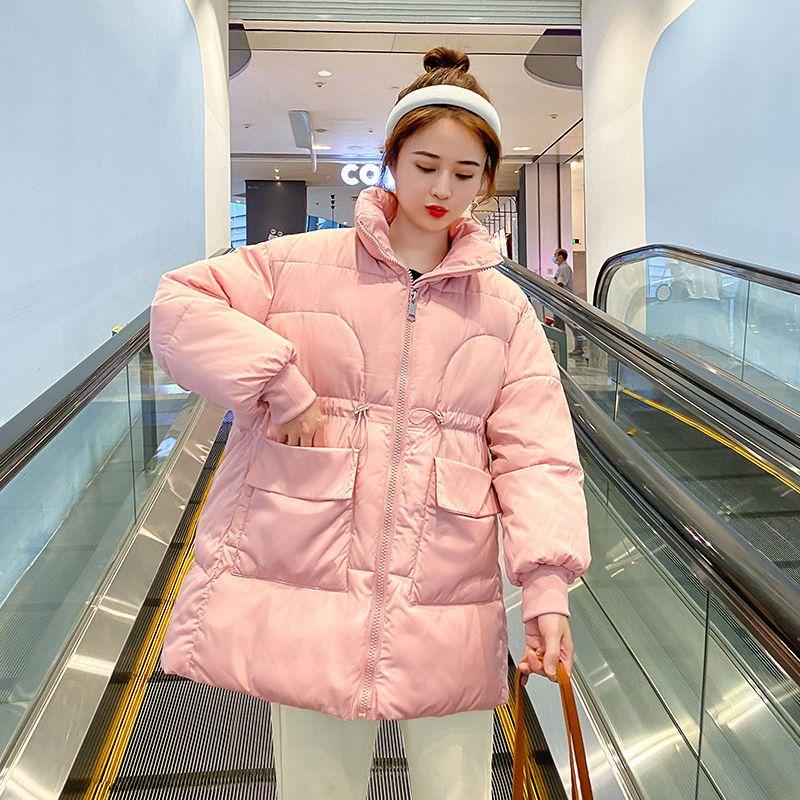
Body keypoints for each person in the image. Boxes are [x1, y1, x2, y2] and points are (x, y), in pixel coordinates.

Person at [149, 47, 590, 800]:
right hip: (310, 581)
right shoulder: (299, 264)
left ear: (486, 179)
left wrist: (546, 588)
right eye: (425, 165)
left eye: (465, 172)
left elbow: (537, 454)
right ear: (391, 159)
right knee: (317, 788)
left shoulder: (505, 309)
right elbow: (178, 307)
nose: (442, 189)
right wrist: (280, 383)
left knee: (455, 786)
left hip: (445, 592)